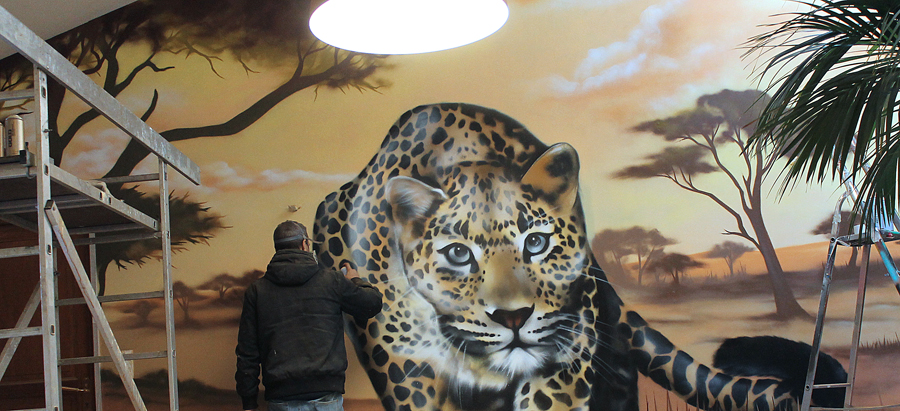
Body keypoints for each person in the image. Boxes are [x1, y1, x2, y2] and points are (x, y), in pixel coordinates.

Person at [235, 220, 383, 411]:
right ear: (305, 244)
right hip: (326, 397)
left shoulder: (257, 291)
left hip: (281, 399)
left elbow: (247, 353)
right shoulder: (332, 281)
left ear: (277, 248)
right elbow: (372, 304)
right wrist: (355, 279)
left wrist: (249, 403)